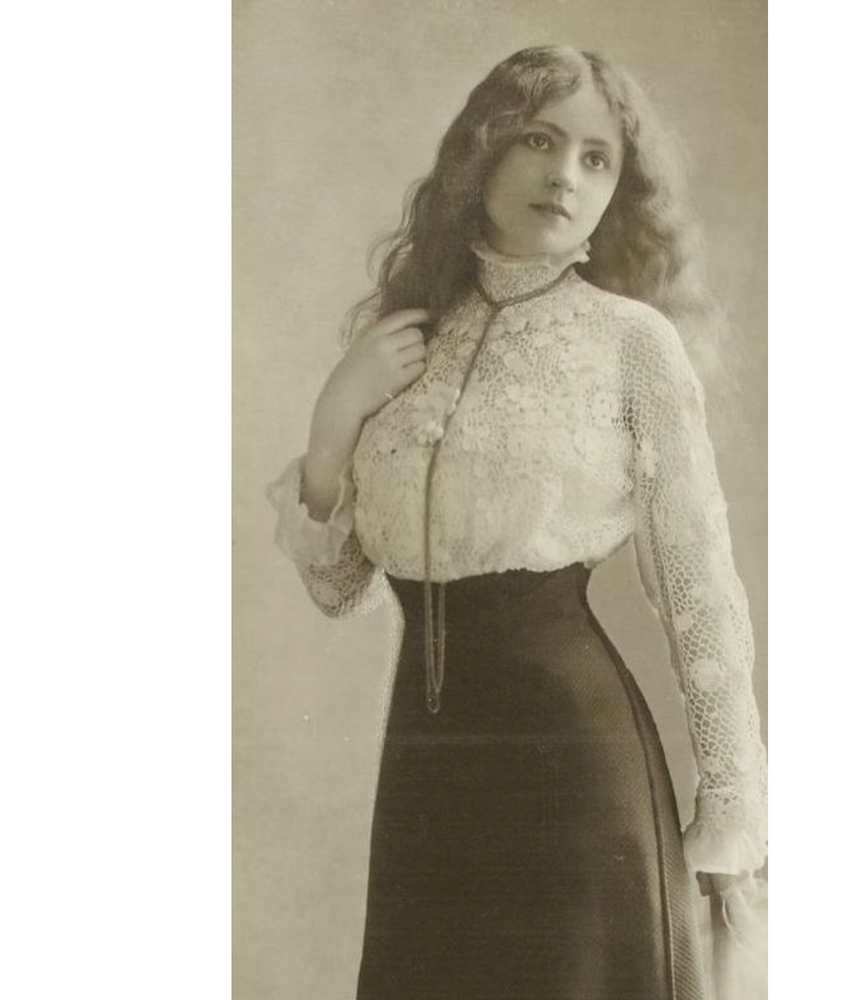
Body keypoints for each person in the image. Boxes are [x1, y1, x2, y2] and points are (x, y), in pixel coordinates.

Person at [268, 44, 767, 1000]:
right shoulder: (408, 336)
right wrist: (336, 417)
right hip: (427, 770)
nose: (563, 175)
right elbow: (340, 589)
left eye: (595, 157)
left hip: (572, 766)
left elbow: (700, 589)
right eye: (539, 139)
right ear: (484, 149)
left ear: (617, 188)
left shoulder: (633, 344)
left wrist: (733, 811)